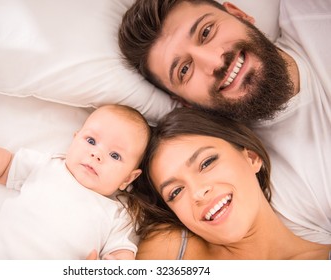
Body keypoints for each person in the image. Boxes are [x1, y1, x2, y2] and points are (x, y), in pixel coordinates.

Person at [119, 0, 331, 243]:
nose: (215, 62)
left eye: (206, 32)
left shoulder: (315, 11)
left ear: (238, 13)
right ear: (184, 101)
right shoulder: (274, 195)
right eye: (184, 70)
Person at [129, 107, 331, 259]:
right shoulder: (170, 250)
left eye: (206, 163)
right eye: (176, 192)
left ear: (251, 157)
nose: (198, 192)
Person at [0, 104, 151, 260]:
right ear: (74, 140)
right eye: (91, 141)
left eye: (115, 155)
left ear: (128, 178)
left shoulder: (117, 214)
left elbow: (122, 252)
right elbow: (4, 167)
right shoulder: (47, 165)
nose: (97, 154)